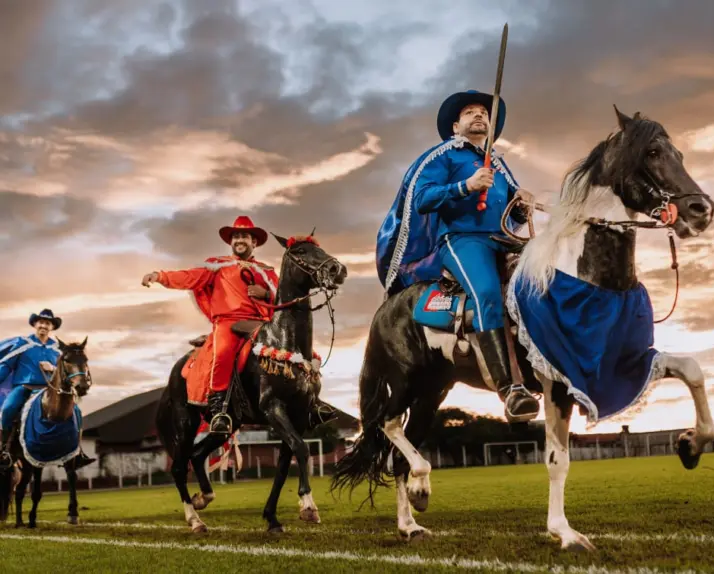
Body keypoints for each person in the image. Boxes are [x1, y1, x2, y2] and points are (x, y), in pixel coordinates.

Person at [375, 89, 540, 422]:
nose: (479, 115)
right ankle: (509, 389)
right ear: (455, 127)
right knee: (487, 293)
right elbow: (422, 198)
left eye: (483, 112)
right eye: (469, 112)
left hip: (503, 239)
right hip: (462, 240)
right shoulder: (443, 155)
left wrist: (522, 206)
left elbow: (511, 216)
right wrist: (465, 186)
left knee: (547, 277)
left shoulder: (499, 164)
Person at [141, 216, 331, 435]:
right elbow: (188, 277)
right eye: (236, 236)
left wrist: (266, 293)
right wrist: (159, 276)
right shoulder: (216, 266)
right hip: (228, 322)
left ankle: (311, 403)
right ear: (231, 242)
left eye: (245, 236)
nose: (240, 240)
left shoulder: (266, 271)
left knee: (302, 353)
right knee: (222, 352)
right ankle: (219, 409)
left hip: (261, 323)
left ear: (254, 242)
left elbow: (283, 299)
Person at [0, 309, 94, 470]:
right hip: (25, 387)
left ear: (52, 327)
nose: (43, 325)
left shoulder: (58, 349)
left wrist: (53, 368)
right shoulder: (23, 344)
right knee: (8, 409)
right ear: (35, 324)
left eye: (47, 323)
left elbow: (67, 371)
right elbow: (7, 365)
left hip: (49, 390)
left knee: (76, 411)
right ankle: (4, 450)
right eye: (41, 322)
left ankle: (78, 452)